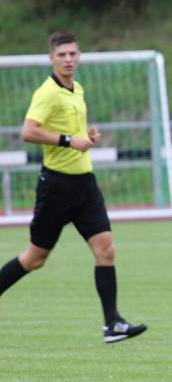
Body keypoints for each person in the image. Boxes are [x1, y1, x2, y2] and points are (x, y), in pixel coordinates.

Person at [0, 32, 147, 344]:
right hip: (56, 187)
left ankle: (112, 324)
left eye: (73, 54)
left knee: (106, 249)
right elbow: (29, 131)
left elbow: (73, 132)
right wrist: (69, 141)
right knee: (34, 259)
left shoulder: (76, 89)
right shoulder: (47, 93)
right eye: (62, 55)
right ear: (52, 58)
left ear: (79, 56)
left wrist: (87, 136)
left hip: (85, 185)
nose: (68, 59)